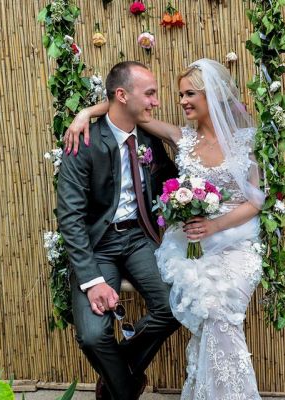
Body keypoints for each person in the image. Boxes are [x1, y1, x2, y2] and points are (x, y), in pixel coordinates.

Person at [65, 58, 265, 399]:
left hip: (228, 238)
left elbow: (256, 200)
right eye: (178, 95)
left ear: (212, 95)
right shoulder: (180, 137)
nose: (179, 101)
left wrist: (213, 224)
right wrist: (86, 113)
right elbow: (128, 110)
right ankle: (126, 383)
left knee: (208, 309)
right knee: (97, 335)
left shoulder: (245, 140)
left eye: (189, 94)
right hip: (143, 243)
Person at [57, 61, 179, 400]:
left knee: (174, 308)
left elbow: (171, 182)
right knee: (93, 336)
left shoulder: (149, 138)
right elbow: (70, 217)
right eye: (150, 93)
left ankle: (117, 373)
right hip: (97, 245)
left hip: (140, 238)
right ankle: (125, 387)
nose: (156, 101)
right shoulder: (83, 142)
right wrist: (92, 280)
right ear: (123, 95)